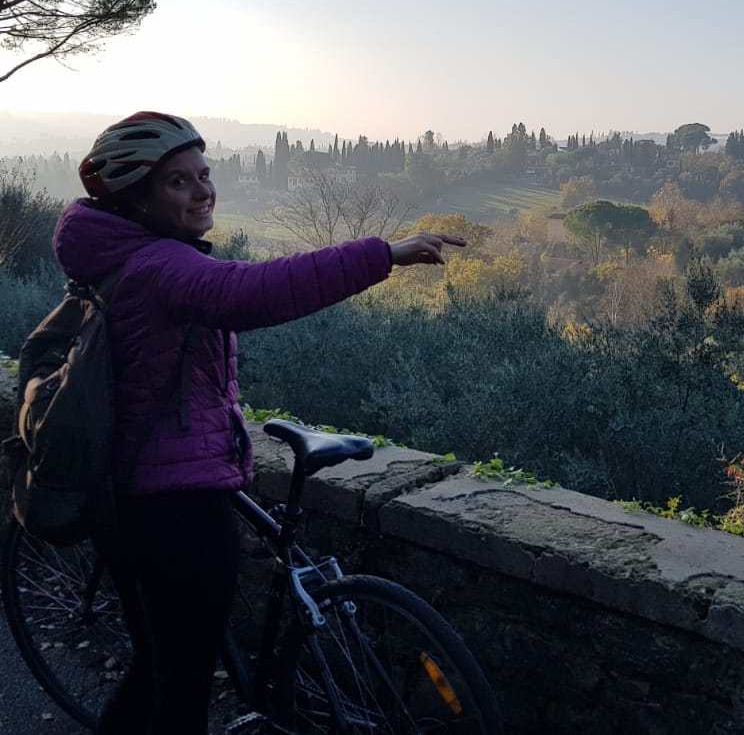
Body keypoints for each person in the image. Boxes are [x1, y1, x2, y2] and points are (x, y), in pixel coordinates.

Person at [54, 110, 464, 734]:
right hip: (176, 507)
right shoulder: (158, 266)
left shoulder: (116, 256)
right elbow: (251, 293)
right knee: (183, 693)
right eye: (178, 182)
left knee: (158, 667)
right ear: (136, 197)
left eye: (204, 173)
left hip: (131, 493)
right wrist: (384, 253)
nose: (203, 190)